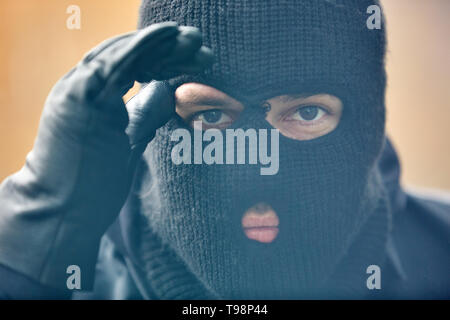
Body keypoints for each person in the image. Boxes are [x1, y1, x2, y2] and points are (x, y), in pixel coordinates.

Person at [0, 0, 448, 299]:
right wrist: (30, 243)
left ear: (368, 122)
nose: (256, 168)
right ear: (155, 117)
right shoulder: (71, 275)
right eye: (210, 116)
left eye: (307, 113)